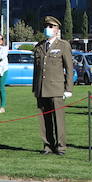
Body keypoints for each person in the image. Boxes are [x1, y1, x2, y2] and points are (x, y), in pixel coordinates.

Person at [32, 16, 73, 155]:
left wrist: (68, 88)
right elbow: (36, 70)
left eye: (51, 26)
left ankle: (60, 146)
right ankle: (48, 145)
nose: (47, 29)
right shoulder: (39, 46)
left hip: (56, 88)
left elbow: (69, 68)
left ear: (57, 30)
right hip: (41, 88)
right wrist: (35, 88)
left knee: (58, 120)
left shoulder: (63, 45)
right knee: (44, 120)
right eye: (46, 26)